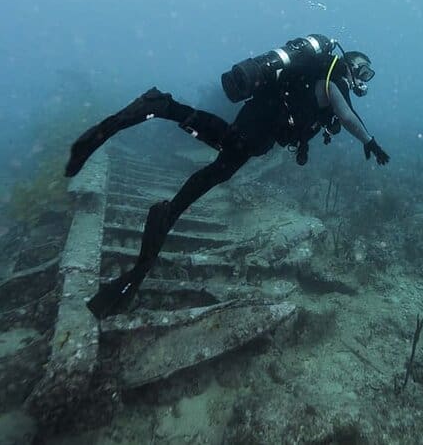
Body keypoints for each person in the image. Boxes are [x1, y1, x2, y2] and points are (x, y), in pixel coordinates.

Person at [66, 34, 390, 319]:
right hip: (265, 116)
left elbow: (320, 117)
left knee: (220, 166)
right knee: (226, 153)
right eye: (364, 70)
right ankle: (163, 108)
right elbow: (347, 116)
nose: (364, 78)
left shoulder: (323, 79)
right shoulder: (334, 75)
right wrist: (370, 141)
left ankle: (171, 207)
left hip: (265, 120)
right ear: (349, 65)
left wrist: (305, 141)